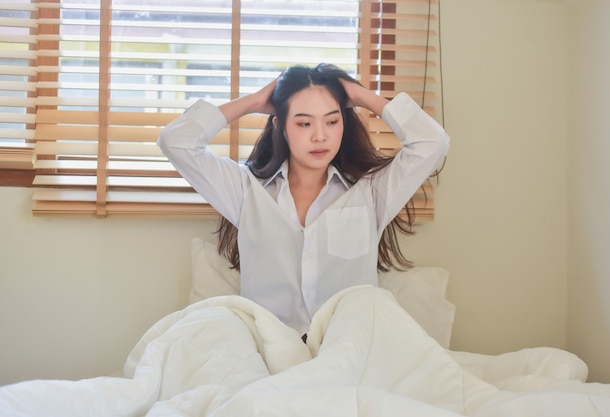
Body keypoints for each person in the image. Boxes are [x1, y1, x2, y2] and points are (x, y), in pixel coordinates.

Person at [157, 63, 450, 337]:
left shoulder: (370, 193)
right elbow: (176, 141)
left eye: (332, 121)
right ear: (280, 126)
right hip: (267, 352)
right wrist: (255, 101)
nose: (320, 136)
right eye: (304, 124)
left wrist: (359, 95)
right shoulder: (246, 191)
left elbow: (432, 143)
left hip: (349, 348)